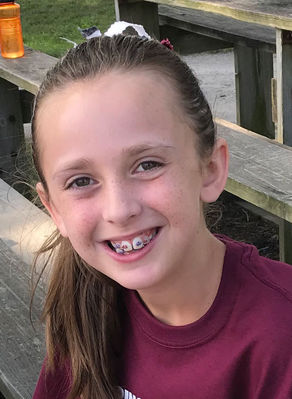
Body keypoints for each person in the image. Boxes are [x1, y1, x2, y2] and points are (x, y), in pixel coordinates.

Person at [31, 34, 292, 399]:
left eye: (147, 164)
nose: (119, 210)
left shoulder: (281, 335)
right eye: (82, 181)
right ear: (53, 209)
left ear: (211, 169)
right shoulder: (83, 312)